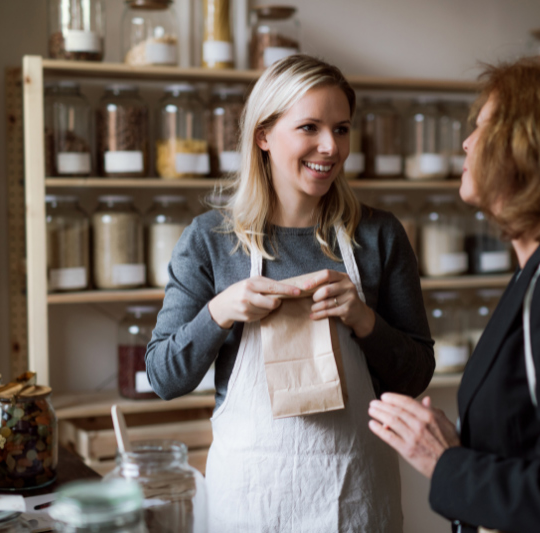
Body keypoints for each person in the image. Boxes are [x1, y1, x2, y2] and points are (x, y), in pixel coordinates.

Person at [145, 54, 434, 532]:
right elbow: (162, 376)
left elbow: (417, 374)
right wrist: (221, 311)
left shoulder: (380, 236)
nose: (330, 146)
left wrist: (364, 320)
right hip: (251, 503)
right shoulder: (211, 240)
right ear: (263, 135)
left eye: (341, 129)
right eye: (309, 128)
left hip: (356, 501)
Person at [369, 54, 540, 533]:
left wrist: (444, 463)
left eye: (481, 127)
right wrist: (456, 447)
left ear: (527, 148)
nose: (465, 142)